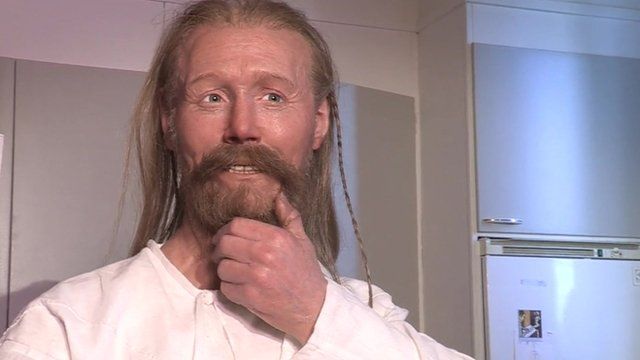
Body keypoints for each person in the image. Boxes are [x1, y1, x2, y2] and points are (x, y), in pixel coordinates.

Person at [0, 1, 474, 359]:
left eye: (272, 96)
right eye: (211, 98)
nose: (242, 126)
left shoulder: (367, 313)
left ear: (319, 122)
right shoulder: (67, 326)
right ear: (169, 122)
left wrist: (315, 311)